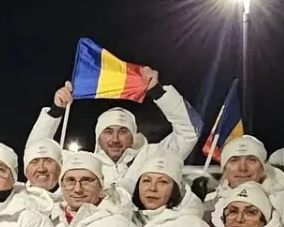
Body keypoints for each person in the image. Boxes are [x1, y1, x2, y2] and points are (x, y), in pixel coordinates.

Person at [27, 67, 200, 196]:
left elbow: (189, 131)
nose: (115, 139)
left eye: (123, 131)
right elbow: (35, 152)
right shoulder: (81, 163)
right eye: (108, 131)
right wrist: (55, 112)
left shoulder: (153, 156)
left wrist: (158, 92)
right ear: (98, 137)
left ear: (133, 136)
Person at [209, 135, 284, 227]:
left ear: (263, 168)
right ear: (224, 169)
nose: (243, 168)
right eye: (234, 160)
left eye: (251, 160)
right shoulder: (209, 203)